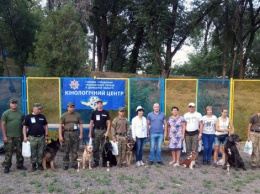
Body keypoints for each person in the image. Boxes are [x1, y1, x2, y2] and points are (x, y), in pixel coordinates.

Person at [1, 98, 27, 174]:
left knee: (19, 151)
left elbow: (24, 125)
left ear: (17, 104)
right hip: (9, 136)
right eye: (13, 103)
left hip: (19, 136)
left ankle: (20, 165)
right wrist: (4, 136)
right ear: (10, 104)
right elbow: (2, 125)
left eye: (15, 103)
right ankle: (7, 166)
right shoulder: (6, 113)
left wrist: (24, 135)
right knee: (8, 152)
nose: (14, 104)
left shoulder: (21, 113)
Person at [23, 103, 48, 172]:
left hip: (41, 137)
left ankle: (40, 164)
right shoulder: (28, 117)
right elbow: (24, 127)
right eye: (38, 109)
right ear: (34, 108)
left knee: (40, 152)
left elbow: (46, 126)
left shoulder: (42, 116)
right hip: (32, 137)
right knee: (33, 152)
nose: (39, 110)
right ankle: (34, 164)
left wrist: (46, 135)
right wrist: (25, 136)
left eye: (40, 109)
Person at [59, 102, 83, 170]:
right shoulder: (64, 115)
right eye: (70, 107)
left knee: (75, 150)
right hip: (67, 134)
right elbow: (60, 126)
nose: (72, 108)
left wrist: (81, 134)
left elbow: (80, 125)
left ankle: (74, 163)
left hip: (75, 133)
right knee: (66, 150)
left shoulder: (77, 115)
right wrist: (60, 136)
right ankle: (66, 164)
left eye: (73, 107)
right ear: (67, 107)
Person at [88, 99, 111, 168]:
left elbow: (109, 122)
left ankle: (105, 162)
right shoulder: (94, 113)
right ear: (97, 105)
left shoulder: (106, 112)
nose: (99, 105)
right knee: (96, 147)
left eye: (100, 103)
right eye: (98, 104)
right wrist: (90, 132)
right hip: (96, 131)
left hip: (104, 131)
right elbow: (91, 123)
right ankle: (96, 162)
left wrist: (107, 132)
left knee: (105, 147)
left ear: (102, 104)